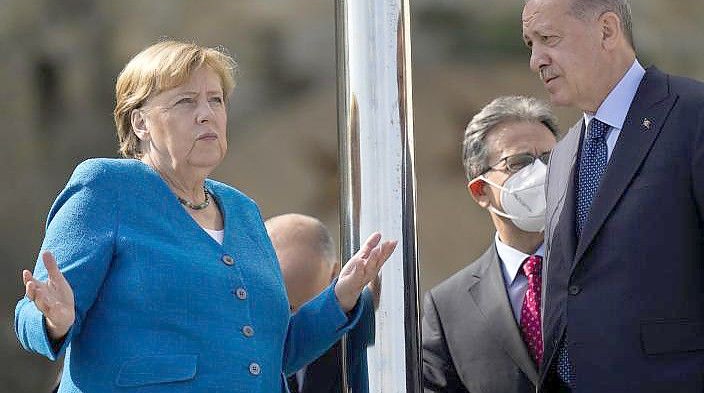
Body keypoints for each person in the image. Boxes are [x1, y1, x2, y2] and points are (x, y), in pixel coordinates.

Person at [14, 40, 397, 393]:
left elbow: (272, 357)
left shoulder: (244, 211)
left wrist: (341, 297)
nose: (206, 115)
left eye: (216, 100)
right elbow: (32, 313)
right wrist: (54, 321)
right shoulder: (106, 187)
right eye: (185, 101)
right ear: (140, 122)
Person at [521, 0, 704, 393]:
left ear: (606, 30)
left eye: (549, 40)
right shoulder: (564, 152)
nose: (536, 60)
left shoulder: (702, 115)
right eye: (530, 45)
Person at [422, 96, 559, 393]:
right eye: (519, 163)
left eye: (550, 159)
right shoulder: (447, 308)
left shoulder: (609, 268)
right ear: (481, 190)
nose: (541, 173)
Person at [266, 213, 375, 393]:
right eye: (285, 309)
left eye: (306, 307)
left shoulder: (365, 335)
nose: (294, 323)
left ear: (334, 273)